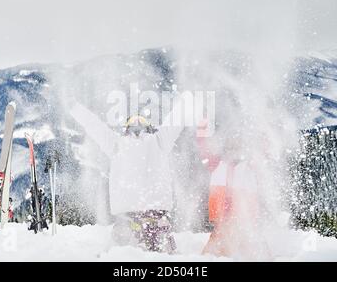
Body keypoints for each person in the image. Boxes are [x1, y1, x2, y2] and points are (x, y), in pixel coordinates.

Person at [70, 99, 190, 253]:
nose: (137, 122)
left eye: (140, 120)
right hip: (146, 214)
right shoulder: (155, 142)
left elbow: (95, 127)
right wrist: (187, 101)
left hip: (133, 214)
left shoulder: (122, 143)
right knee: (142, 250)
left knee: (124, 252)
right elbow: (176, 120)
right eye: (133, 120)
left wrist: (74, 107)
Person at [197, 120, 270, 260]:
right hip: (225, 215)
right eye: (231, 144)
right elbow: (203, 147)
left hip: (243, 217)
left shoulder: (249, 167)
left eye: (238, 143)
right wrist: (202, 124)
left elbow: (264, 152)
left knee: (252, 244)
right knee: (218, 245)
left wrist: (262, 122)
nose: (234, 147)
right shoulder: (218, 165)